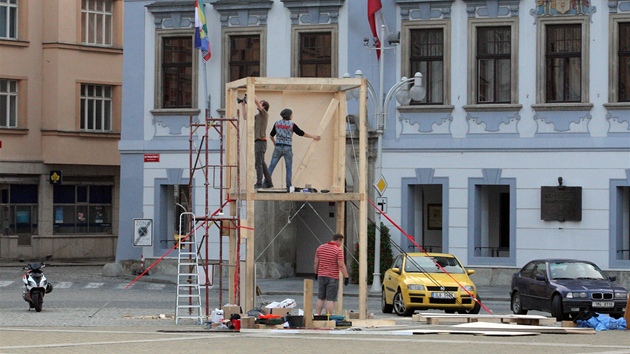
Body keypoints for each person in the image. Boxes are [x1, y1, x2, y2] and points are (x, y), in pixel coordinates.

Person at [268, 108, 320, 190]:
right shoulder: (292, 125)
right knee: (288, 168)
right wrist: (314, 136)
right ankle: (288, 186)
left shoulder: (277, 123)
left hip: (278, 147)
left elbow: (271, 135)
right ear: (289, 115)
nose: (292, 116)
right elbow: (301, 133)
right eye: (291, 114)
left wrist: (274, 142)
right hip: (287, 147)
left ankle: (266, 183)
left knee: (271, 166)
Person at [241, 96, 273, 189]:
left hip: (261, 142)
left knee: (258, 163)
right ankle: (269, 182)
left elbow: (257, 102)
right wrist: (243, 105)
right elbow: (245, 117)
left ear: (263, 107)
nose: (259, 104)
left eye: (261, 103)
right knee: (262, 163)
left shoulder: (264, 114)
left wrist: (251, 95)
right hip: (259, 142)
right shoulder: (258, 116)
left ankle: (259, 183)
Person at [314, 233, 349, 316]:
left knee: (321, 297)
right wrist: (346, 276)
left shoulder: (320, 247)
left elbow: (316, 262)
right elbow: (341, 264)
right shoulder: (337, 250)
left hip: (321, 275)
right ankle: (328, 317)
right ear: (338, 240)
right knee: (331, 299)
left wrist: (316, 273)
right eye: (341, 242)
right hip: (332, 277)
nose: (341, 244)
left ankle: (317, 315)